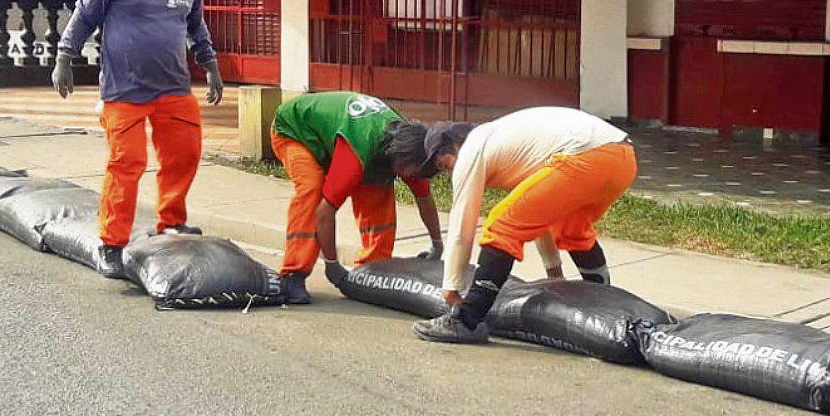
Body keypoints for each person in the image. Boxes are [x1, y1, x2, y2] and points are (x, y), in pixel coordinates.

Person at [51, 0, 225, 279]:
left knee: (186, 153)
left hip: (173, 87)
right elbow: (84, 15)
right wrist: (64, 57)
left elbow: (197, 26)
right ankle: (111, 243)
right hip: (124, 90)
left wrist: (210, 66)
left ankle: (171, 221)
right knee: (126, 163)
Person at [396, 107, 637, 343]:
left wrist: (451, 285)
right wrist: (553, 270)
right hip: (621, 157)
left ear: (452, 144)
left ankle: (466, 321)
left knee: (501, 226)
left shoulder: (471, 149)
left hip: (586, 156)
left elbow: (462, 226)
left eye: (442, 164)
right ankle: (605, 303)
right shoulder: (507, 145)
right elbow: (538, 214)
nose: (447, 172)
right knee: (573, 230)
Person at [270, 91, 445, 304]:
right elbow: (325, 212)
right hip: (294, 130)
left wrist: (437, 244)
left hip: (339, 135)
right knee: (312, 188)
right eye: (411, 173)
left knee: (378, 190)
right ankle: (292, 275)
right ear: (400, 157)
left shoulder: (414, 152)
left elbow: (424, 198)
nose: (412, 178)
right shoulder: (358, 151)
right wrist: (332, 264)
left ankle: (373, 269)